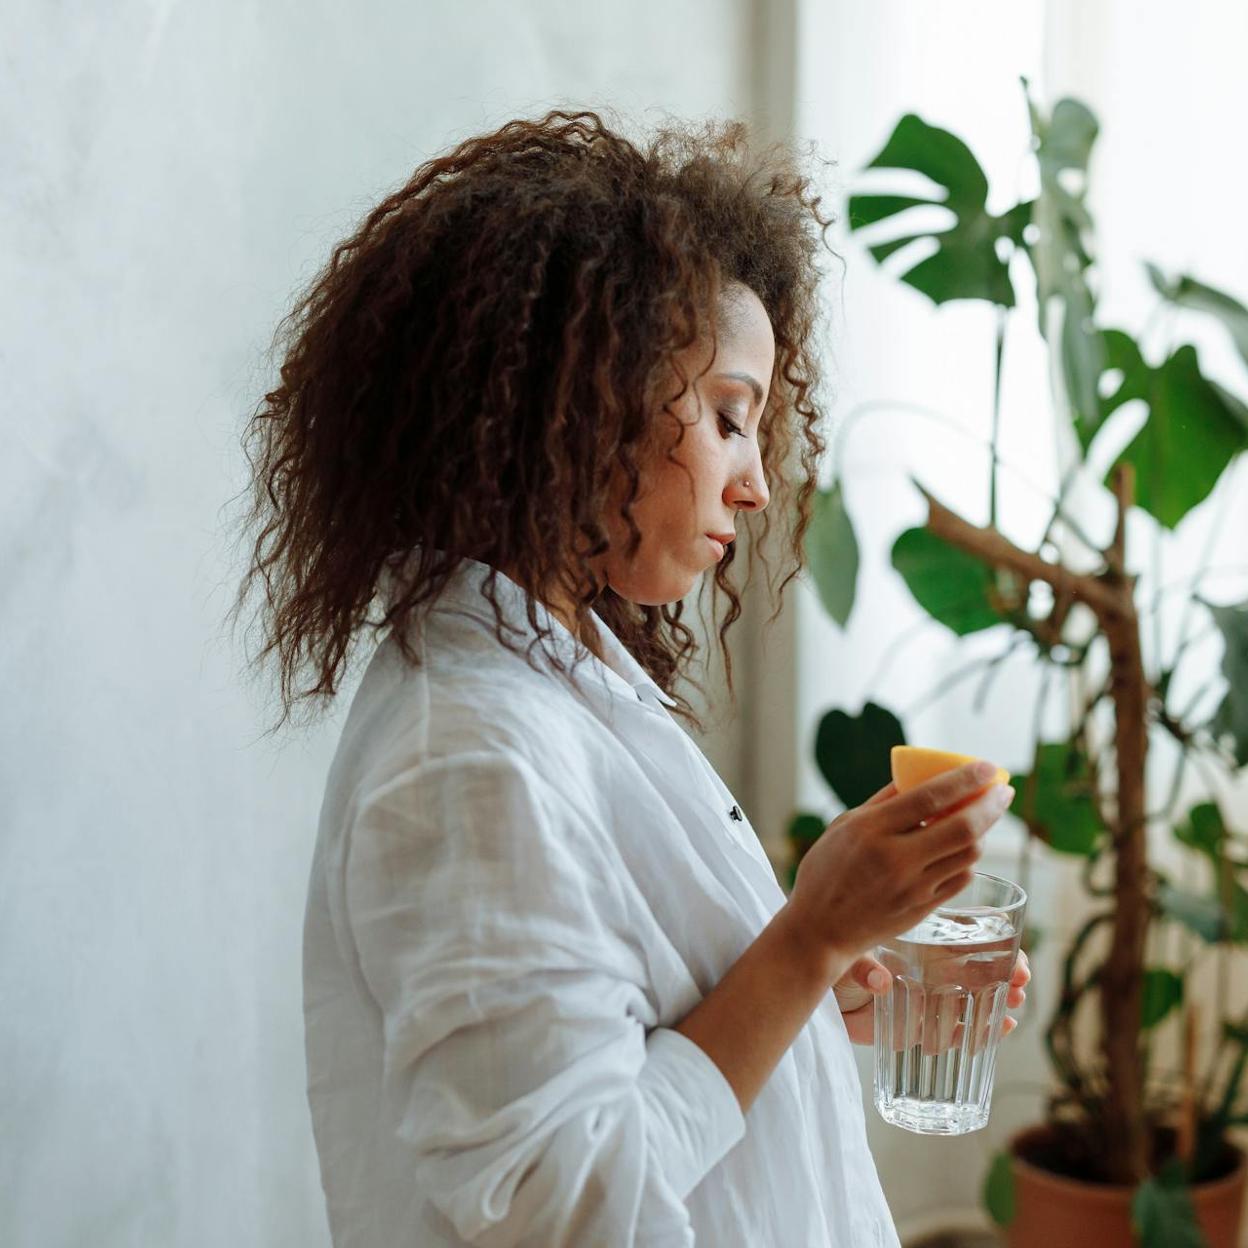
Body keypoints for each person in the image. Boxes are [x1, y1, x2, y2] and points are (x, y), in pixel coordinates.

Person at [231, 107, 1030, 1247]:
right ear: (590, 397)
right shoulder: (468, 758)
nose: (755, 485)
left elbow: (633, 1044)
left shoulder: (559, 677)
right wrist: (805, 938)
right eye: (727, 417)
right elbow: (570, 1207)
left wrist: (813, 985)